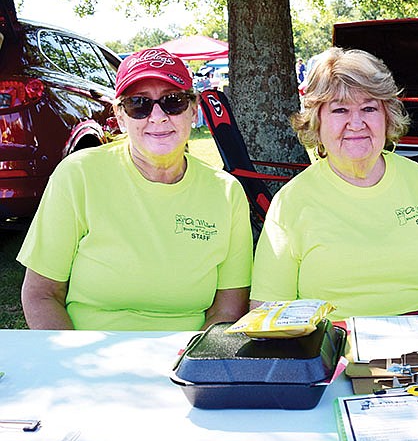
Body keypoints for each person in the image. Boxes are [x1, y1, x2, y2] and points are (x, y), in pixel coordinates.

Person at [250, 47, 418, 329]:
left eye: (369, 108)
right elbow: (269, 310)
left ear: (387, 116)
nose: (356, 123)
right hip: (337, 354)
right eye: (340, 109)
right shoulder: (290, 203)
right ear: (317, 122)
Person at [17, 48, 253, 330]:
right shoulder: (78, 174)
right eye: (138, 104)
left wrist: (194, 362)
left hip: (185, 361)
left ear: (193, 110)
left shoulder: (226, 192)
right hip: (89, 356)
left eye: (173, 102)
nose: (157, 116)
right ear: (120, 116)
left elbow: (229, 303)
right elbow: (41, 293)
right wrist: (71, 365)